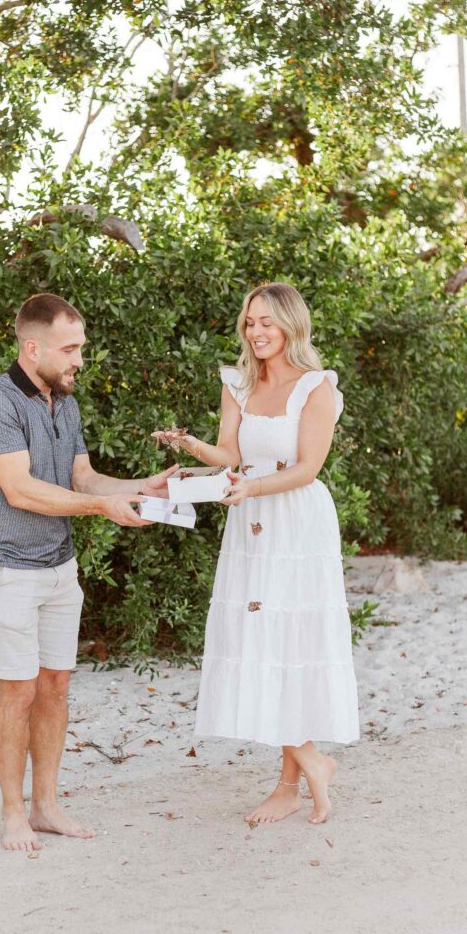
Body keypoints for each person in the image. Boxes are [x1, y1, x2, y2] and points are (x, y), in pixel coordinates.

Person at [0, 293, 177, 851]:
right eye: (70, 349)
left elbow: (82, 478)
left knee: (55, 687)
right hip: (6, 570)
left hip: (60, 567)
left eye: (81, 347)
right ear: (33, 348)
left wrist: (140, 488)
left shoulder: (65, 402)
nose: (80, 359)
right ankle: (13, 813)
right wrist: (103, 508)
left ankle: (45, 807)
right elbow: (21, 490)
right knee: (19, 692)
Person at [166, 282, 359, 825]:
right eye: (250, 322)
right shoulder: (239, 384)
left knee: (290, 640)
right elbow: (229, 453)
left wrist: (251, 487)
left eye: (266, 322)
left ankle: (299, 775)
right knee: (260, 640)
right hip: (250, 524)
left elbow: (307, 469)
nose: (256, 331)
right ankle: (304, 770)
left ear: (291, 325)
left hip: (296, 523)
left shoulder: (316, 387)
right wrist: (191, 447)